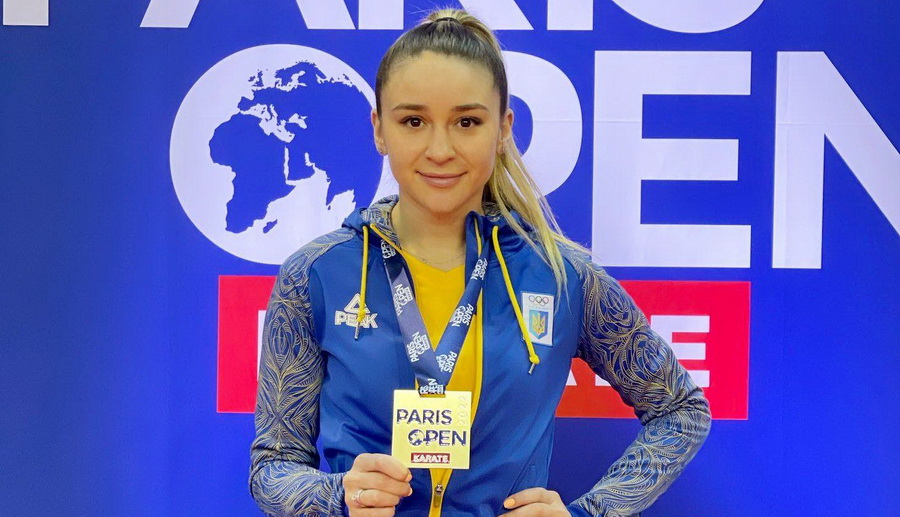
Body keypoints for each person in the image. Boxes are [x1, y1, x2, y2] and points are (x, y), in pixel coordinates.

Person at [249, 8, 711, 517]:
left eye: (467, 122)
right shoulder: (316, 274)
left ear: (503, 128)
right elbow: (273, 466)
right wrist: (337, 496)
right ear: (379, 129)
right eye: (413, 121)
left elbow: (681, 410)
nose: (440, 149)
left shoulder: (563, 277)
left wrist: (591, 512)